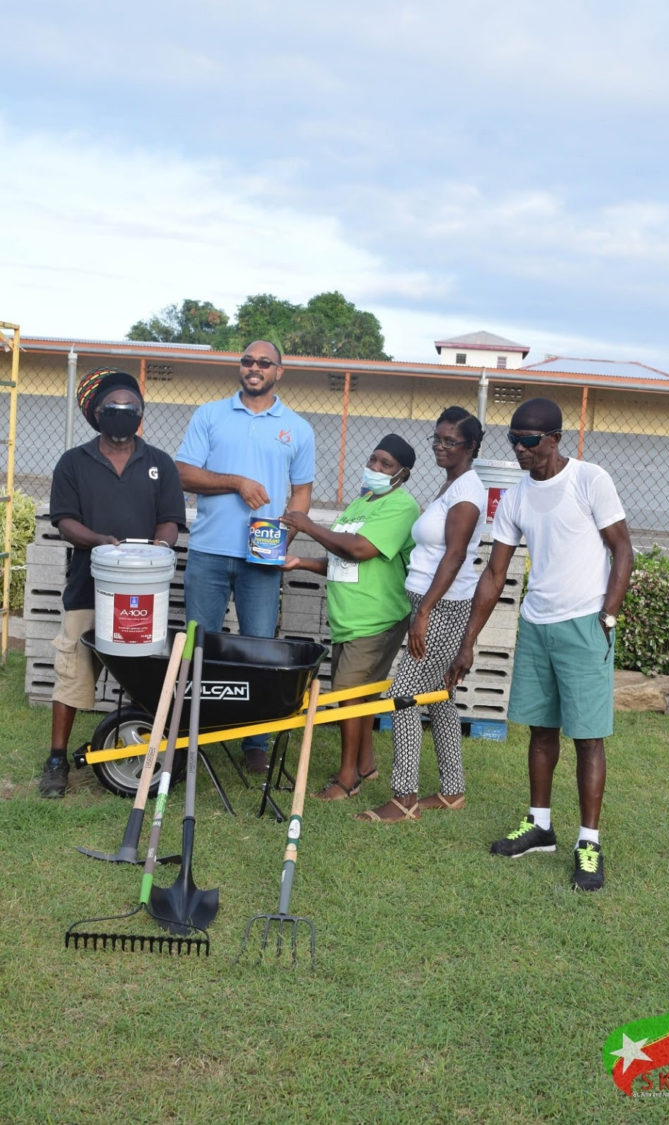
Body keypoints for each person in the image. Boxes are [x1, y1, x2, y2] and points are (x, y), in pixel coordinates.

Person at [446, 397, 633, 891]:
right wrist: (469, 643)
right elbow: (495, 573)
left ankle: (588, 843)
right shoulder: (516, 497)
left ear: (554, 439)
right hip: (537, 624)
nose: (519, 450)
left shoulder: (590, 479)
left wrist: (608, 616)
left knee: (588, 737)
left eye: (528, 441)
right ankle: (541, 825)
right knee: (541, 732)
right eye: (513, 440)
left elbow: (622, 549)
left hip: (583, 625)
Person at [39, 369, 186, 798]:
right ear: (97, 414)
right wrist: (102, 544)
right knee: (72, 670)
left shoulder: (160, 463)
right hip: (89, 587)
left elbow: (170, 521)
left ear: (140, 414)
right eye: (113, 408)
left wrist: (155, 551)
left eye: (130, 409)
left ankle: (144, 747)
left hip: (144, 593)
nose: (122, 414)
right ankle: (56, 759)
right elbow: (64, 520)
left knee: (142, 672)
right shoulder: (74, 462)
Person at [175, 340, 315, 772]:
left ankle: (255, 739)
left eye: (264, 363)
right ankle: (191, 733)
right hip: (209, 551)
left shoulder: (297, 428)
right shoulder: (210, 415)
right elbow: (183, 473)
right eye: (248, 361)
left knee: (259, 649)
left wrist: (284, 538)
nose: (254, 368)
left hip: (261, 558)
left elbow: (302, 492)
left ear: (279, 372)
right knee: (201, 644)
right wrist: (236, 481)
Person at [357, 406, 486, 822]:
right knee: (440, 696)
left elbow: (455, 556)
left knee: (405, 694)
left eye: (451, 441)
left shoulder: (467, 494)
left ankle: (404, 797)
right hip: (429, 603)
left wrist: (425, 611)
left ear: (471, 447)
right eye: (438, 438)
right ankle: (452, 792)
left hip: (442, 608)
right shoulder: (452, 486)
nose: (441, 447)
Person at [281, 435, 418, 800]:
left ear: (402, 473)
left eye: (385, 464)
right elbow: (341, 559)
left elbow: (359, 550)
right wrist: (301, 562)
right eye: (373, 459)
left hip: (376, 617)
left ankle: (347, 779)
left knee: (348, 694)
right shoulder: (361, 503)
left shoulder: (401, 507)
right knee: (359, 694)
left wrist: (307, 526)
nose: (375, 468)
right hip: (348, 617)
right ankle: (366, 765)